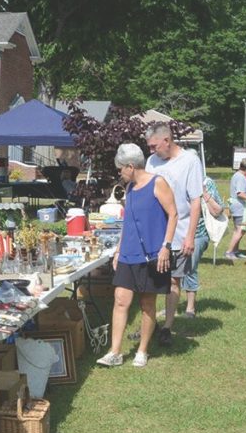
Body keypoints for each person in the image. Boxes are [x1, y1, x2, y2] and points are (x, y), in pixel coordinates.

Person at [96, 144, 177, 369]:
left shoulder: (157, 183)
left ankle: (142, 350)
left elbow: (173, 214)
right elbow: (128, 222)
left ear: (131, 166)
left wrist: (166, 247)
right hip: (128, 253)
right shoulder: (130, 187)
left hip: (152, 255)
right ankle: (115, 352)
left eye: (120, 168)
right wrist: (119, 250)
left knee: (147, 303)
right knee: (120, 300)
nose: (119, 173)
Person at [144, 122, 203, 346]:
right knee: (148, 281)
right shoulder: (152, 161)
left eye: (154, 146)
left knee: (172, 281)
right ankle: (148, 325)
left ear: (167, 141)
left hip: (179, 233)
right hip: (154, 233)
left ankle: (167, 327)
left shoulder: (190, 161)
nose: (151, 150)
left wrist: (190, 236)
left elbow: (195, 201)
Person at [182, 176, 223, 317]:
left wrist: (204, 193)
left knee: (189, 268)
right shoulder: (178, 177)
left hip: (198, 234)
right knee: (172, 273)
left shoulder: (206, 182)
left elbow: (218, 210)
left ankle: (190, 308)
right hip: (177, 233)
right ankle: (172, 306)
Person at [225, 158, 246, 260]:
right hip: (239, 207)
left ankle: (235, 251)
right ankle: (229, 252)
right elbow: (240, 193)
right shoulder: (240, 177)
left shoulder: (238, 175)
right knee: (240, 230)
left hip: (238, 206)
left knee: (238, 230)